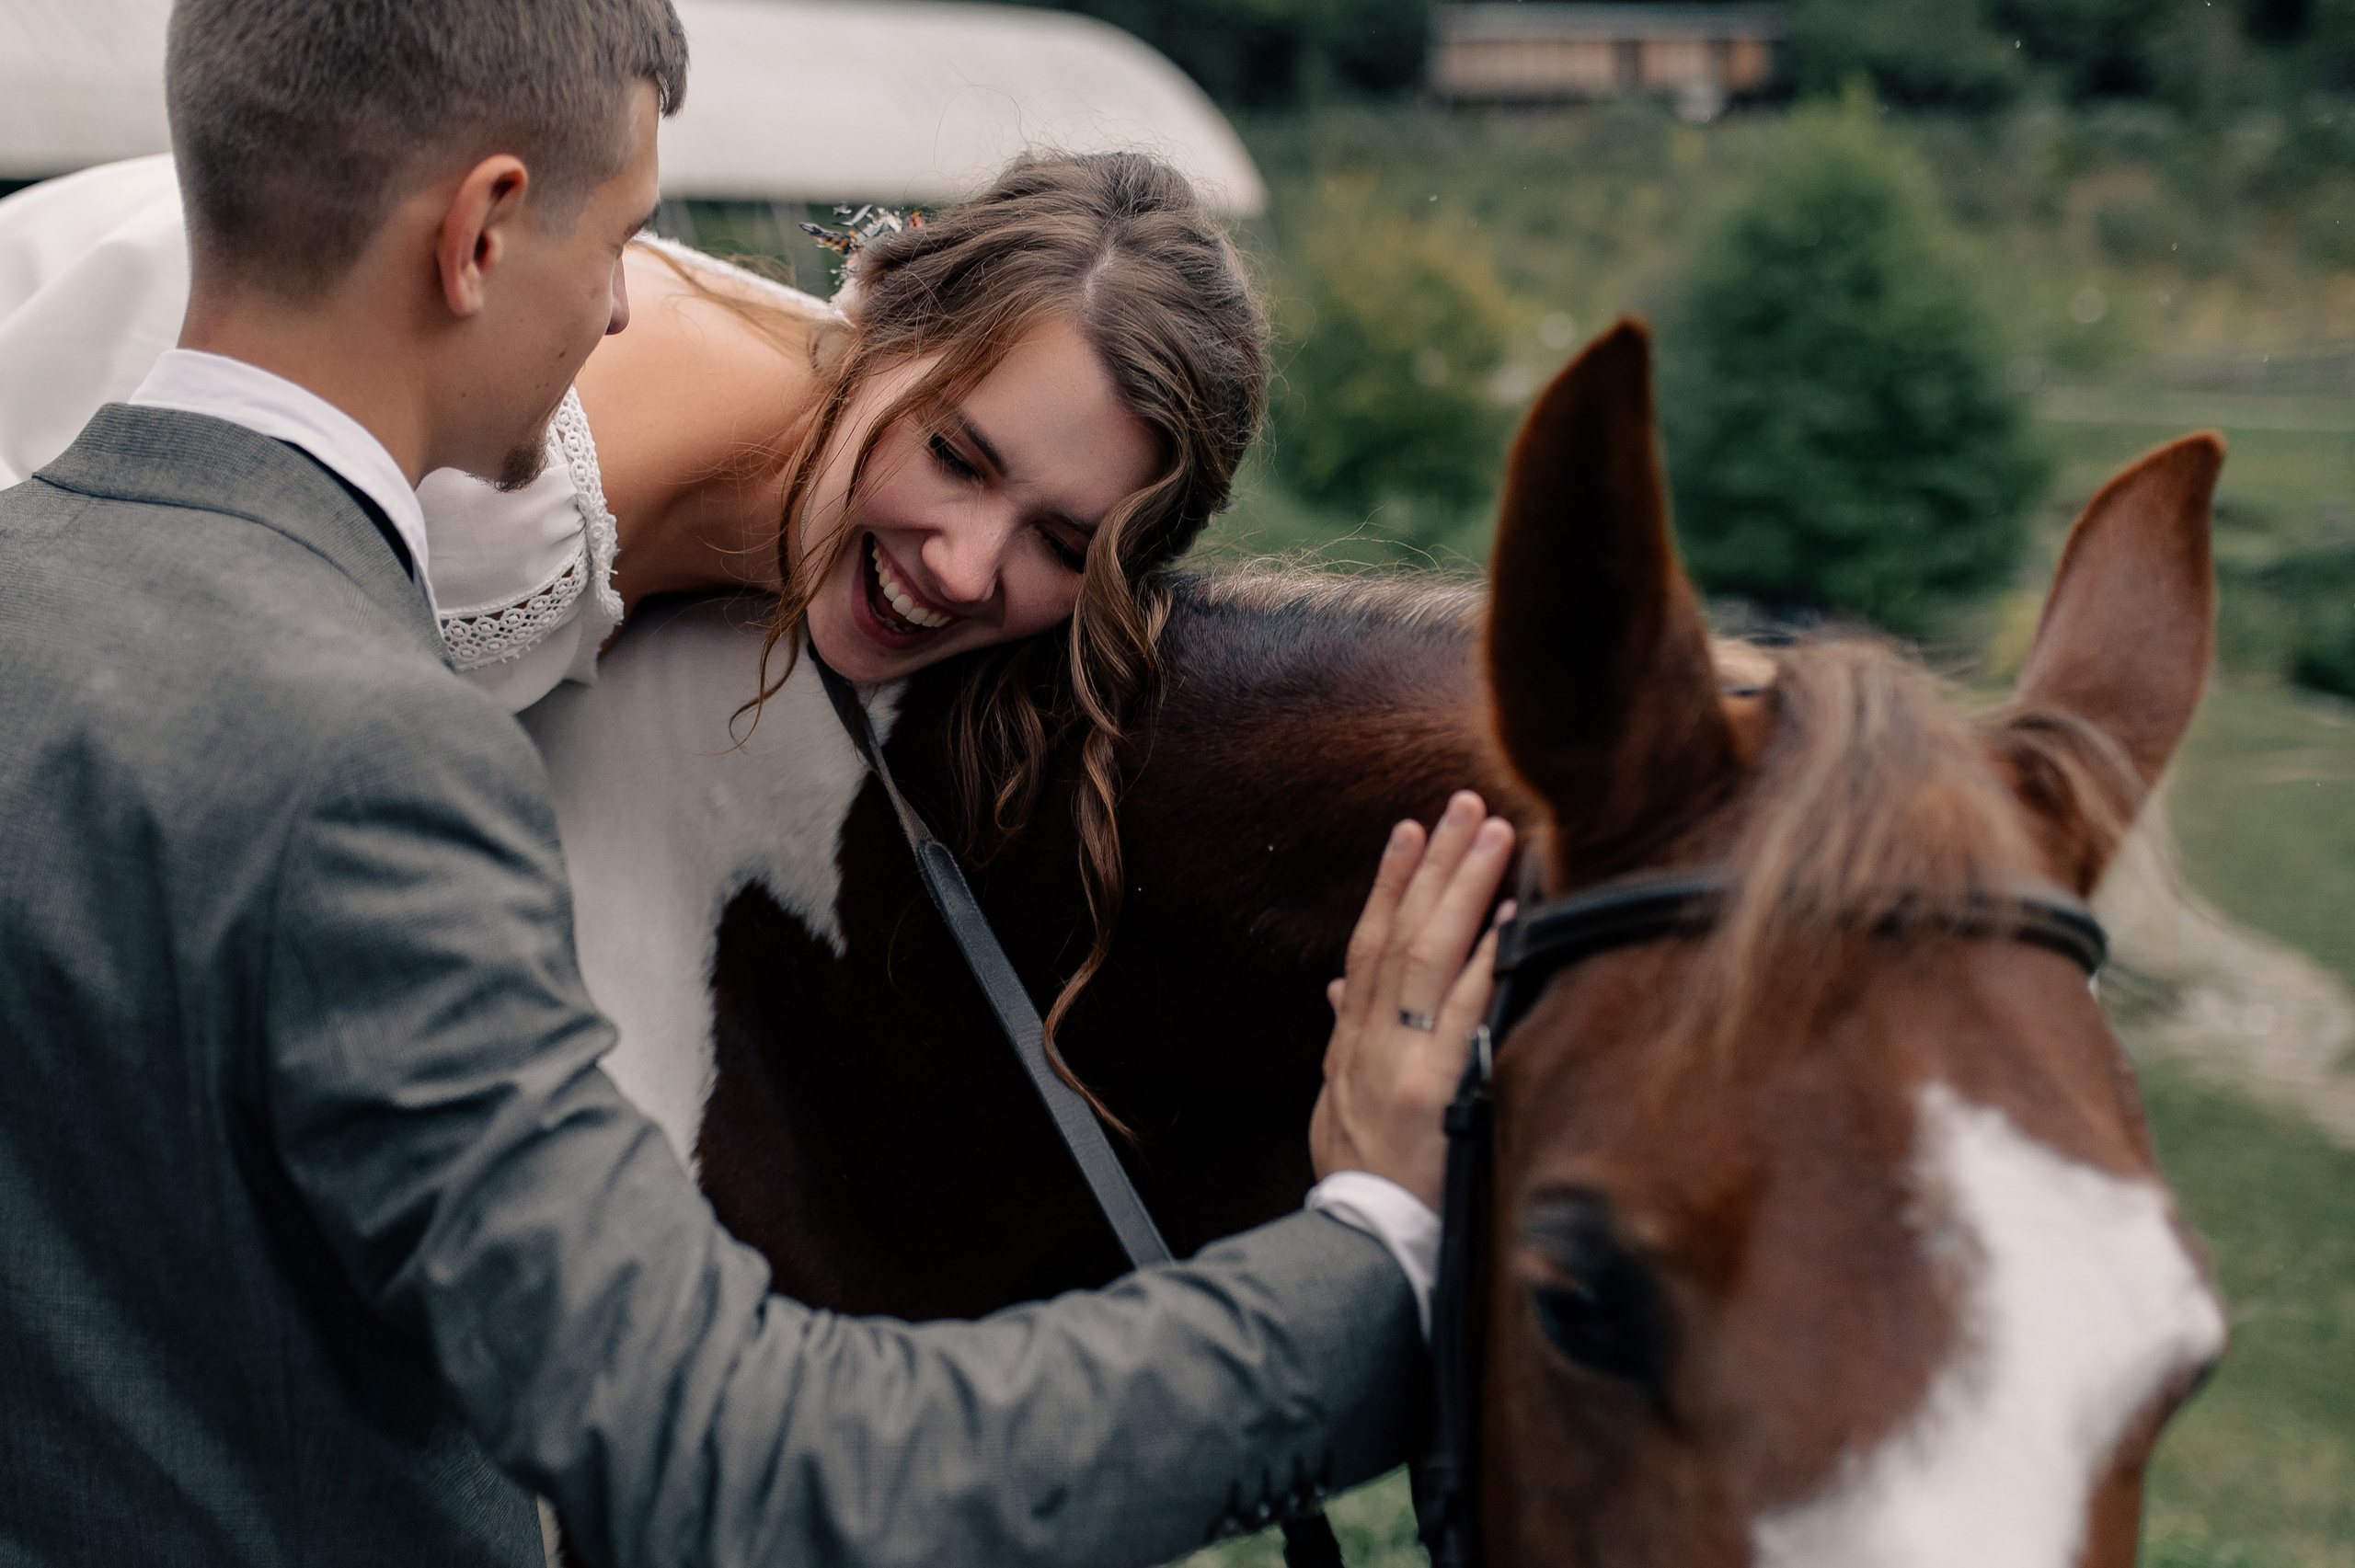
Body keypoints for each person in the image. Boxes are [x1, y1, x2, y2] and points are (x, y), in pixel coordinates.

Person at [0, 4, 1518, 1568]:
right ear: (878, 322)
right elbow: (728, 1446)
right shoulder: (511, 482)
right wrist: (1367, 1266)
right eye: (959, 457)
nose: (968, 563)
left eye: (1067, 543)